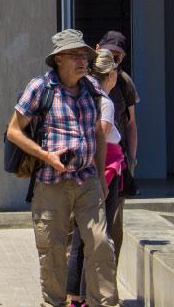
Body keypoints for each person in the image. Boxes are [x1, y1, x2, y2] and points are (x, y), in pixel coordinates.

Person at [5, 29, 119, 307]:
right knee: (52, 251)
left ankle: (105, 303)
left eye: (84, 54)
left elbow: (98, 135)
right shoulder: (40, 88)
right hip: (50, 183)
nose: (83, 60)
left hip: (88, 180)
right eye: (75, 55)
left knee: (100, 243)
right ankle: (52, 302)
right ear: (58, 59)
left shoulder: (92, 88)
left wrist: (102, 176)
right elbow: (13, 131)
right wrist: (45, 155)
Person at [65, 49, 126, 306]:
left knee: (80, 237)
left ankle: (74, 298)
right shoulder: (105, 102)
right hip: (104, 171)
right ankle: (88, 298)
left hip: (86, 170)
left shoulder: (85, 96)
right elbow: (100, 137)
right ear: (110, 75)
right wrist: (102, 178)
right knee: (97, 238)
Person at [95, 30, 139, 260]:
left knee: (113, 227)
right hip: (88, 167)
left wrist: (131, 161)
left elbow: (132, 124)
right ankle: (75, 291)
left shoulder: (124, 82)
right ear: (97, 49)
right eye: (109, 54)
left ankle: (108, 286)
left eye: (118, 57)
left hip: (116, 166)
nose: (113, 61)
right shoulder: (84, 83)